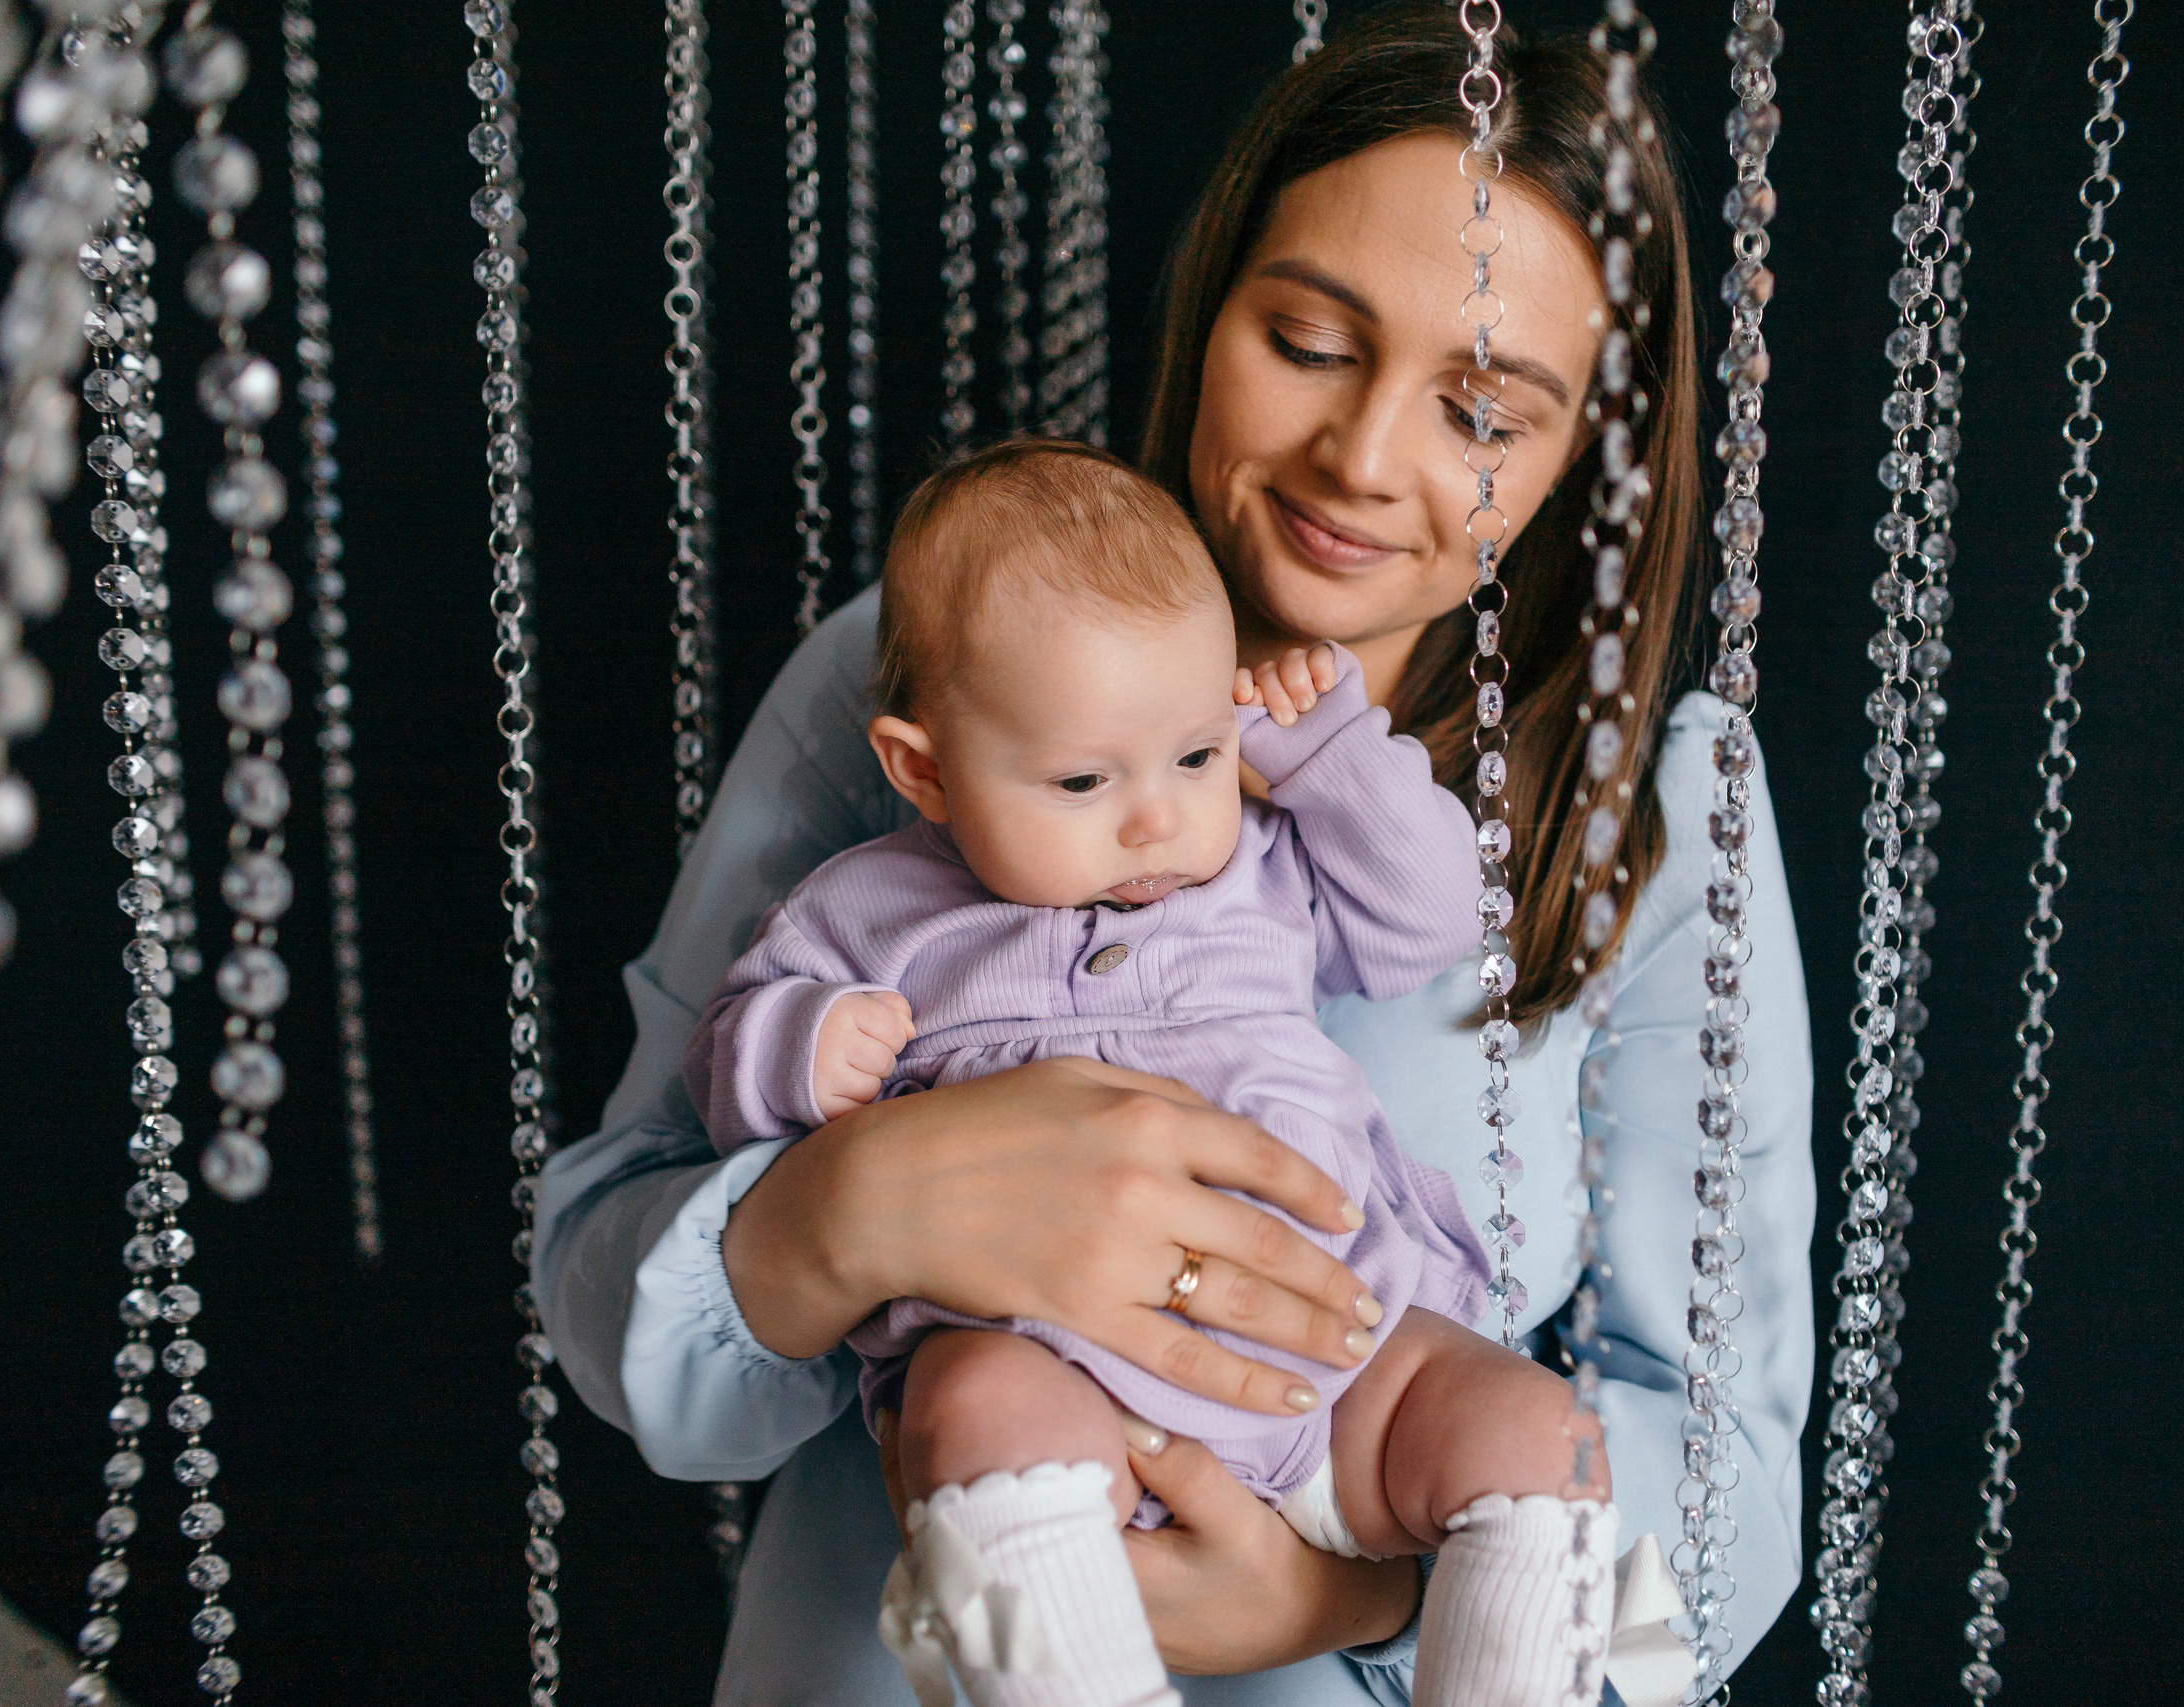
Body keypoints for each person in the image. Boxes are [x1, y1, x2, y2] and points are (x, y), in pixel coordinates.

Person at [534, 7, 1815, 1702]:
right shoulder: (919, 672)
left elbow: (1725, 1462)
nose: (1362, 460)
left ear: (1591, 456)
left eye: (1485, 410)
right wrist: (847, 1208)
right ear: (1212, 305)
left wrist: (1346, 1602)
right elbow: (610, 1302)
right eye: (1307, 339)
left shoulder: (1651, 797)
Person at [695, 439, 1616, 1707]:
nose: (1157, 819)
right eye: (1082, 779)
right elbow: (727, 1065)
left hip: (1340, 1354)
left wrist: (1328, 756)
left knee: (1543, 1434)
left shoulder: (1259, 861)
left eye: (1192, 755)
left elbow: (1431, 919)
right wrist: (802, 1044)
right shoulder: (871, 909)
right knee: (965, 1407)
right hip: (1052, 1372)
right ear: (923, 769)